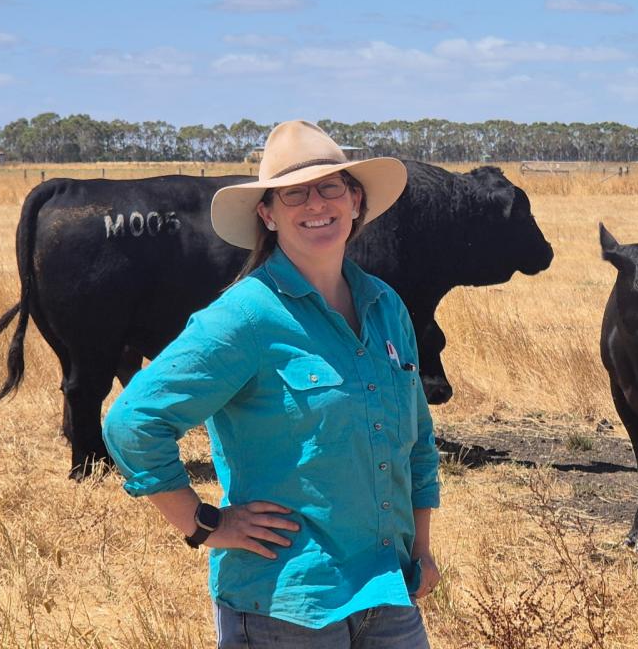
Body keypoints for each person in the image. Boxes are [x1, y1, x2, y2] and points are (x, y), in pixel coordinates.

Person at [103, 120, 440, 648]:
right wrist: (205, 524)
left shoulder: (385, 307)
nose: (316, 204)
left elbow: (417, 438)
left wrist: (421, 548)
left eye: (331, 187)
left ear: (355, 200)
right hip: (289, 601)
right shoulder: (246, 316)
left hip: (387, 588)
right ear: (268, 213)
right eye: (294, 194)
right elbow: (132, 421)